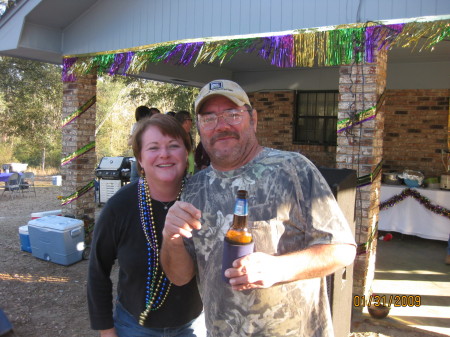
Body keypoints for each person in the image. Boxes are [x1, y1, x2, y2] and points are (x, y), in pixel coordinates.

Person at [161, 79, 356, 336]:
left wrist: (278, 268)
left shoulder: (293, 169)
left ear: (253, 119)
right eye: (209, 118)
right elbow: (180, 277)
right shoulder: (193, 187)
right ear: (198, 128)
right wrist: (171, 239)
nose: (222, 125)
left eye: (232, 114)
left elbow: (342, 250)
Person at [88, 114, 205, 337]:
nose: (164, 154)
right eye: (153, 148)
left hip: (195, 325)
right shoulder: (119, 206)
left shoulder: (203, 199)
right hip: (134, 326)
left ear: (187, 153)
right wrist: (106, 330)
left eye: (174, 145)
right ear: (139, 159)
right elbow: (97, 271)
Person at [129, 106, 160, 183]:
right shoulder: (153, 126)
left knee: (135, 183)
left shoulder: (136, 125)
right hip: (147, 158)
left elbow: (130, 142)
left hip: (139, 158)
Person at [175, 110, 195, 176]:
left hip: (189, 172)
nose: (191, 123)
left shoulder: (187, 134)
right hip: (183, 173)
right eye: (191, 120)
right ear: (186, 121)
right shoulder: (177, 135)